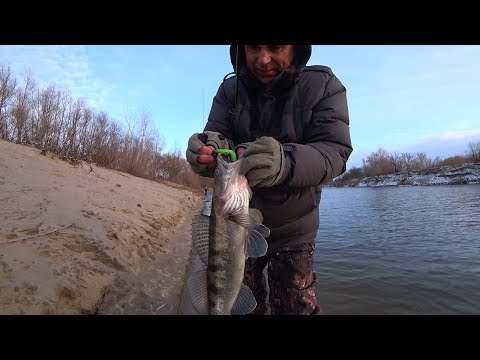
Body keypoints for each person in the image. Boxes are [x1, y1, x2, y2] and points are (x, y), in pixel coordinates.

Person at [186, 45, 352, 315]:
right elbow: (217, 136)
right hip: (239, 227)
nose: (263, 59)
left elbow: (335, 153)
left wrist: (284, 162)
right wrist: (207, 148)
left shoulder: (323, 85)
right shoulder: (230, 91)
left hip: (295, 229)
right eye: (253, 47)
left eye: (275, 46)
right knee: (242, 306)